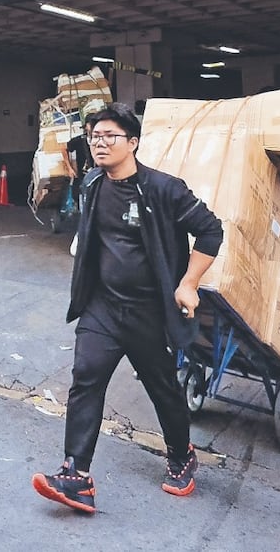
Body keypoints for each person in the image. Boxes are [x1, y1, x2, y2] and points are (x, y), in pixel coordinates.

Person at [31, 103, 223, 513]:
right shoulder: (92, 183)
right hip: (101, 307)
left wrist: (188, 284)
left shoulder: (164, 189)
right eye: (94, 137)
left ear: (133, 143)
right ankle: (75, 474)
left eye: (109, 137)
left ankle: (181, 454)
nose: (99, 144)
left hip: (148, 312)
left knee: (162, 389)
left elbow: (211, 231)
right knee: (86, 376)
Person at [62, 114, 97, 256]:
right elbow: (64, 149)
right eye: (90, 125)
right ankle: (81, 239)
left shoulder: (100, 140)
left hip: (99, 180)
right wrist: (69, 168)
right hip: (84, 181)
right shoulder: (80, 140)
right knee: (85, 211)